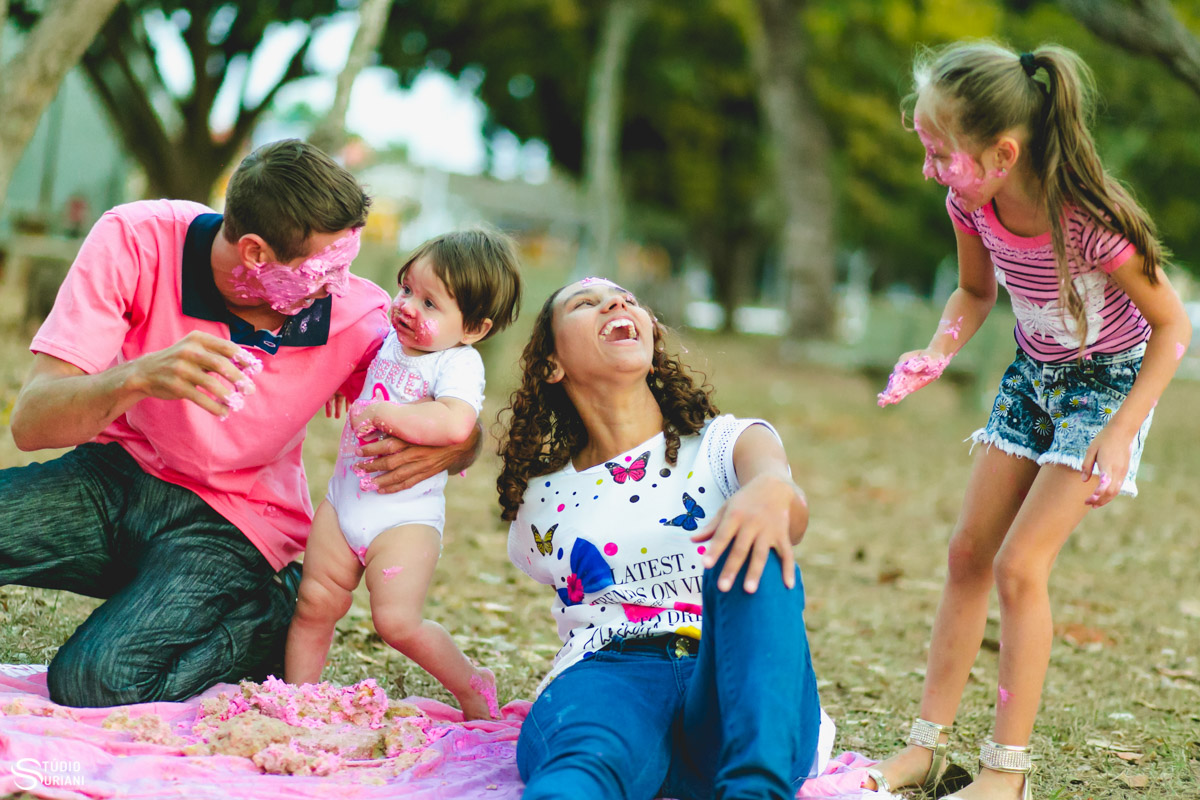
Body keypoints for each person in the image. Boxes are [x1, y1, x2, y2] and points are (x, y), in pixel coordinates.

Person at [0, 139, 476, 708]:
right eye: (324, 267)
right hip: (114, 476)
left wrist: (457, 446)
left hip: (232, 524)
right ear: (254, 252)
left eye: (347, 260)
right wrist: (136, 378)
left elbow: (454, 411)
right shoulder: (135, 239)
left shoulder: (360, 316)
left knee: (94, 681)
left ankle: (275, 614)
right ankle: (162, 600)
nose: (339, 284)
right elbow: (31, 423)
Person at [866, 42, 1192, 800]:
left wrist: (1120, 431)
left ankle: (1004, 775)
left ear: (1003, 152)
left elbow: (1172, 328)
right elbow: (975, 295)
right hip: (1033, 376)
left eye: (941, 152)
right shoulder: (968, 203)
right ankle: (924, 749)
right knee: (967, 554)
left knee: (1020, 568)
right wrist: (935, 350)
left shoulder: (1092, 222)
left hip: (1107, 389)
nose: (929, 169)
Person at [495, 277, 834, 800]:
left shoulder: (728, 444)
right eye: (586, 304)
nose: (616, 302)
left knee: (755, 549)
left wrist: (770, 489)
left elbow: (785, 501)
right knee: (578, 772)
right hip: (611, 678)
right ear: (551, 365)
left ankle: (756, 792)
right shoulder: (538, 500)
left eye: (627, 299)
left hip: (735, 687)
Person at [284, 229, 521, 720]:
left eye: (430, 303)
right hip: (345, 501)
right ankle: (294, 702)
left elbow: (456, 421)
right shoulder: (392, 339)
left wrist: (386, 416)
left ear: (474, 327)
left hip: (404, 520)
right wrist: (348, 386)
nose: (408, 306)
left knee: (396, 622)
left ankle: (473, 684)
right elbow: (371, 371)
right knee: (314, 603)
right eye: (407, 289)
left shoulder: (457, 363)